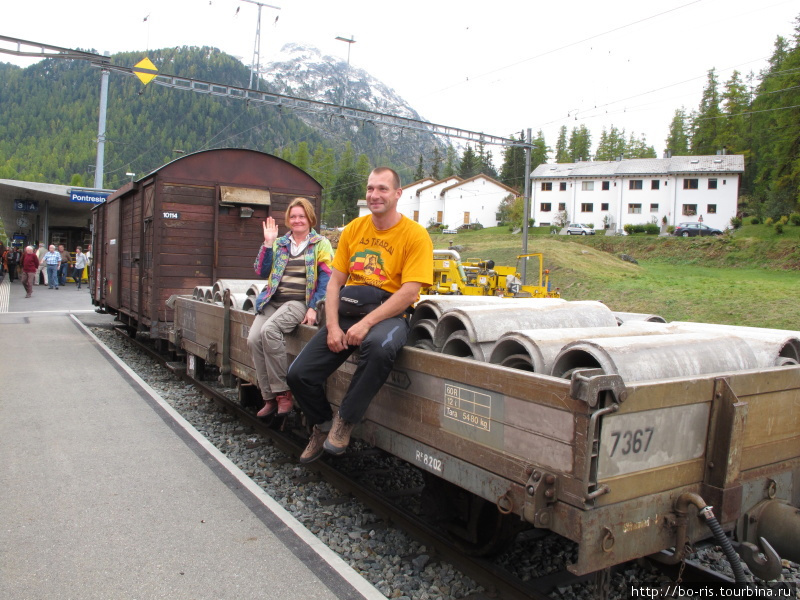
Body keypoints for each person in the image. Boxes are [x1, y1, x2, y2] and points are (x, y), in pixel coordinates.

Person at [287, 167, 433, 463]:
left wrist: (367, 323)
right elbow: (335, 283)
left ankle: (345, 420)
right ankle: (322, 424)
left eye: (382, 189)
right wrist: (331, 327)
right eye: (370, 189)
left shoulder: (415, 235)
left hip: (388, 314)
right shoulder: (355, 228)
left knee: (379, 347)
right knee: (298, 375)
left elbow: (409, 291)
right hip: (348, 308)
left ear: (397, 194)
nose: (374, 195)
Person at [247, 198, 333, 418]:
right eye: (293, 216)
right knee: (253, 338)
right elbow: (261, 270)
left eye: (301, 216)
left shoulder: (320, 243)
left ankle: (283, 393)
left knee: (270, 331)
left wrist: (314, 307)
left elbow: (326, 278)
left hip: (298, 302)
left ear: (310, 218)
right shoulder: (280, 243)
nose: (297, 220)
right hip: (273, 300)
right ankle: (268, 397)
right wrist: (267, 243)